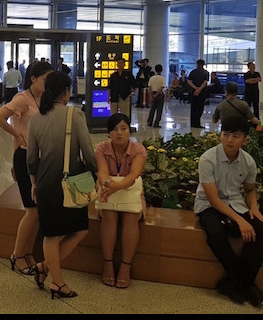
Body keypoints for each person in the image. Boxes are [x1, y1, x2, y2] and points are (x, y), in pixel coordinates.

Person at [27, 71, 97, 299]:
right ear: (66, 92)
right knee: (80, 229)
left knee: (50, 234)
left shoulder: (35, 119)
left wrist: (34, 183)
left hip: (45, 183)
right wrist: (97, 175)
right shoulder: (74, 115)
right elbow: (88, 154)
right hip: (72, 183)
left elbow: (31, 159)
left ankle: (45, 268)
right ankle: (56, 281)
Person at [194, 116, 263, 306]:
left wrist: (253, 207)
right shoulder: (208, 159)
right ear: (220, 136)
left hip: (236, 204)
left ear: (245, 140)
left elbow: (250, 190)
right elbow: (213, 199)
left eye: (236, 136)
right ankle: (245, 285)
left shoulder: (248, 162)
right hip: (208, 206)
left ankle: (232, 283)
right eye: (226, 134)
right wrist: (240, 221)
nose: (229, 140)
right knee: (216, 233)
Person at [0, 60, 53, 276]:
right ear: (33, 79)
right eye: (45, 79)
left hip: (40, 158)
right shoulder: (22, 98)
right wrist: (16, 134)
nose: (48, 83)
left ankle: (27, 252)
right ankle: (17, 255)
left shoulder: (43, 98)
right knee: (31, 210)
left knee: (38, 211)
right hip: (25, 157)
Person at [95, 113, 147, 288]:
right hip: (108, 192)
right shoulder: (101, 149)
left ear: (129, 131)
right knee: (109, 215)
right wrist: (106, 185)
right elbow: (103, 172)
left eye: (123, 128)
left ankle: (126, 266)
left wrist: (115, 187)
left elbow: (134, 175)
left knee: (131, 217)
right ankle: (107, 264)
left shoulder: (138, 150)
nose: (119, 133)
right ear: (109, 133)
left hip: (131, 195)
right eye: (115, 129)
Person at [188, 59, 210, 128]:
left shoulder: (193, 72)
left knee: (193, 108)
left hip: (193, 92)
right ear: (203, 64)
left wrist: (195, 88)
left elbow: (188, 81)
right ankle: (197, 123)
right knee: (199, 108)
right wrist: (199, 89)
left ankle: (192, 123)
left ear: (197, 64)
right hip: (202, 92)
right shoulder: (206, 73)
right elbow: (205, 82)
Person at [146, 64, 166, 128]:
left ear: (155, 70)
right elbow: (161, 88)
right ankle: (156, 123)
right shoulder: (162, 79)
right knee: (159, 110)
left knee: (152, 109)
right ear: (162, 70)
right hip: (159, 95)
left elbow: (149, 87)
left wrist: (151, 96)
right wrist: (156, 95)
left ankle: (149, 122)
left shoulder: (151, 78)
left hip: (152, 93)